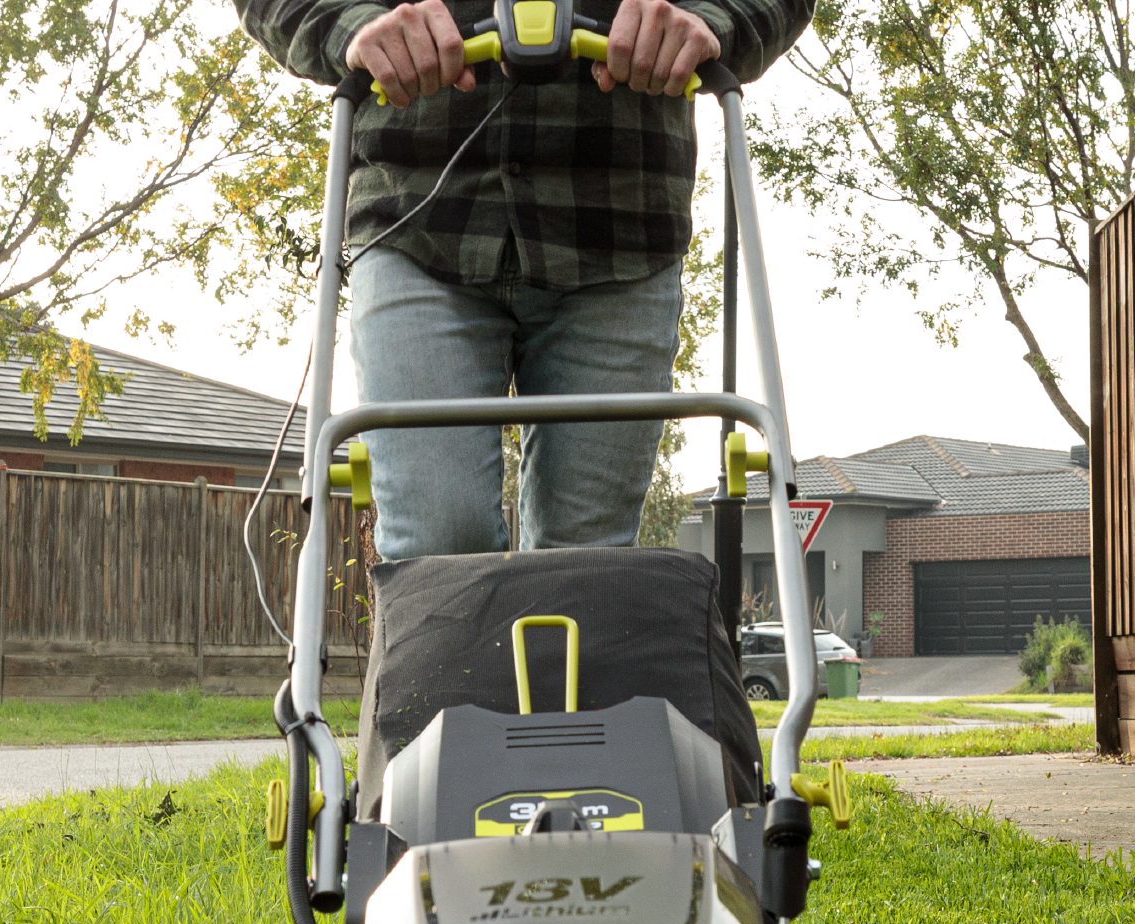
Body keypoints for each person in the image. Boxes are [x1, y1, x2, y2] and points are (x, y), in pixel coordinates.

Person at [238, 0, 811, 558]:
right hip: (415, 216)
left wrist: (710, 22)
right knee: (437, 544)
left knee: (586, 560)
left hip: (622, 222)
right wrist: (355, 27)